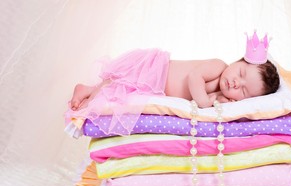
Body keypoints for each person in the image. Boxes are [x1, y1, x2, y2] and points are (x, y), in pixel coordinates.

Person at [69, 54, 280, 109]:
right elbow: (194, 77)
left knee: (123, 91)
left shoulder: (222, 93)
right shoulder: (218, 66)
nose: (236, 83)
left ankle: (87, 89)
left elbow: (211, 98)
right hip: (157, 72)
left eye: (243, 91)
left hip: (159, 89)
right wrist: (205, 103)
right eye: (241, 73)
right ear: (237, 61)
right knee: (117, 86)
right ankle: (89, 97)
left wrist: (220, 100)